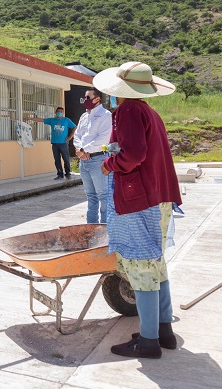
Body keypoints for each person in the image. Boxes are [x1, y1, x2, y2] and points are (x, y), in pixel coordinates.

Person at [93, 61, 181, 359]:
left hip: (140, 200)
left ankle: (148, 340)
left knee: (142, 267)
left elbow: (132, 155)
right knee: (156, 265)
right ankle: (163, 331)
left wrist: (108, 164)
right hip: (159, 197)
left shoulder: (129, 111)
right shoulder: (149, 112)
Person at [72, 88, 112, 223]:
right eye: (85, 97)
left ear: (97, 99)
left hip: (98, 159)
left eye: (88, 97)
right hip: (84, 161)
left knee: (103, 196)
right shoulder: (84, 116)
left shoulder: (106, 115)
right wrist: (79, 149)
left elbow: (103, 139)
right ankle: (91, 227)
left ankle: (104, 229)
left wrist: (84, 149)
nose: (85, 100)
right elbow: (77, 135)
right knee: (91, 196)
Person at [25, 107, 76, 180]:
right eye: (58, 111)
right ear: (55, 112)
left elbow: (74, 127)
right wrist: (30, 118)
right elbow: (41, 120)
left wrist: (70, 137)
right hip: (55, 143)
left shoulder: (66, 120)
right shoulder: (52, 120)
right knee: (57, 159)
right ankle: (59, 174)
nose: (60, 113)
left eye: (61, 112)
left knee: (66, 159)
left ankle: (68, 174)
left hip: (63, 143)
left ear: (63, 112)